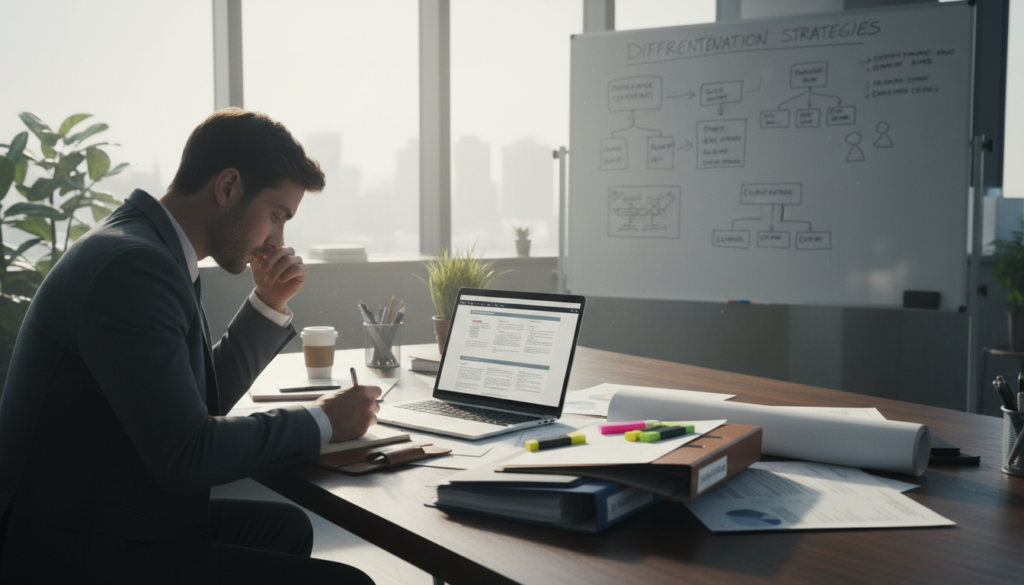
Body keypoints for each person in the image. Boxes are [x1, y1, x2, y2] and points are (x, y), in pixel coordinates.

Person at [0, 108, 379, 583]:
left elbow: (197, 403)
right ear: (227, 187)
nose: (277, 240)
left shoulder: (147, 247)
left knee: (286, 529)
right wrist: (323, 419)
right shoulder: (134, 266)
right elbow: (187, 453)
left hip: (112, 510)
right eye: (276, 216)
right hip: (78, 550)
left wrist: (267, 303)